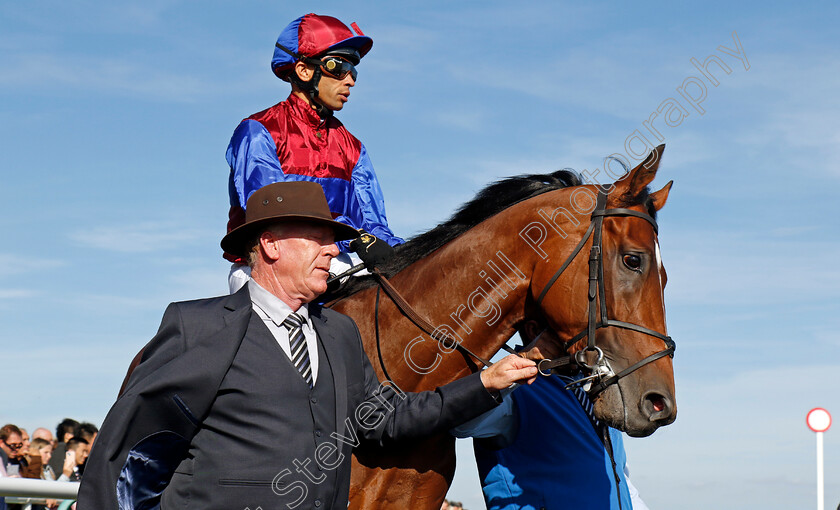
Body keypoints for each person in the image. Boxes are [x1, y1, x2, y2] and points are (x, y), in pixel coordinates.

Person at [78, 181, 537, 509]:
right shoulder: (196, 325)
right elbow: (132, 445)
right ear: (272, 244)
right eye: (319, 238)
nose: (334, 251)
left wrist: (484, 383)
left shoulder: (338, 333)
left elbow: (384, 419)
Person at [225, 13, 404, 293]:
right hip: (269, 265)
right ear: (304, 71)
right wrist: (356, 238)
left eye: (353, 70)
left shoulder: (353, 146)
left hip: (332, 262)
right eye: (339, 66)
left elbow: (373, 225)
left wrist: (412, 254)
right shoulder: (257, 132)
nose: (350, 80)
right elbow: (277, 209)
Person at [452, 320, 650, 510]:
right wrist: (521, 363)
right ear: (534, 330)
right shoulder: (516, 394)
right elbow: (462, 422)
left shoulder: (594, 389)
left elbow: (619, 479)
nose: (591, 338)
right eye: (578, 326)